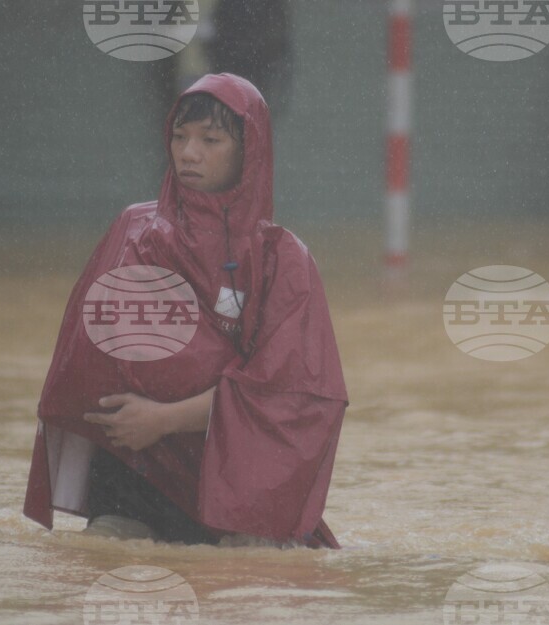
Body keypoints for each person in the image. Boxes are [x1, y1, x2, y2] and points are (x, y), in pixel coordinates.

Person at [23, 73, 349, 549]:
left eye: (210, 140)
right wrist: (141, 420)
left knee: (252, 578)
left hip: (234, 484)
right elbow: (93, 362)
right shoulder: (135, 229)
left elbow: (289, 395)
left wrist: (164, 418)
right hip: (136, 470)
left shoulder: (284, 259)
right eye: (179, 136)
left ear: (248, 152)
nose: (188, 153)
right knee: (101, 553)